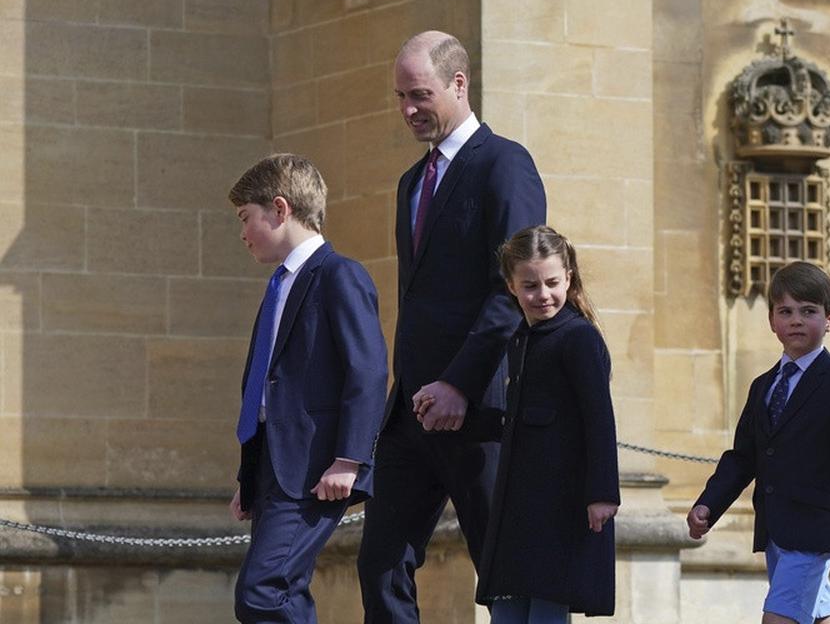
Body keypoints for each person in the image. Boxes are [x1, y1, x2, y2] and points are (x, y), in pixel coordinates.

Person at [357, 31, 547, 623]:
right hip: (411, 409)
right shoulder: (410, 183)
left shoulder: (504, 164)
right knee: (379, 561)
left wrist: (460, 385)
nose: (409, 109)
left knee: (505, 566)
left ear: (458, 84)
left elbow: (511, 290)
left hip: (479, 408)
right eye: (400, 97)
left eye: (420, 94)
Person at [687, 262, 830, 624]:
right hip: (774, 527)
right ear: (772, 321)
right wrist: (709, 503)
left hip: (812, 532)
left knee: (779, 618)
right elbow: (743, 458)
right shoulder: (763, 386)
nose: (797, 320)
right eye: (786, 311)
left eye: (809, 311)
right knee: (818, 615)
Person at [227, 154, 388, 624]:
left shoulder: (340, 275)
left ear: (279, 209)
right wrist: (249, 476)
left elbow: (368, 370)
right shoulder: (279, 284)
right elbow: (266, 387)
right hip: (274, 469)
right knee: (286, 591)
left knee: (262, 591)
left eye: (245, 218)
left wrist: (350, 458)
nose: (242, 233)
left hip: (314, 469)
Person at [474, 225, 620, 622]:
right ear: (511, 286)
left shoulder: (579, 339)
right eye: (530, 285)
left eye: (552, 283)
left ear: (569, 278)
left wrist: (603, 493)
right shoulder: (521, 339)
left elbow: (599, 420)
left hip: (562, 507)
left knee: (546, 611)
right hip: (520, 508)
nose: (543, 295)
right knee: (508, 608)